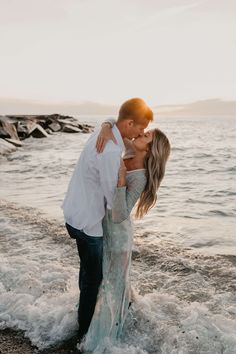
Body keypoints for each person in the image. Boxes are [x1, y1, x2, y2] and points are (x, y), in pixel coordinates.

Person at [62, 98, 153, 344]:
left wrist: (105, 123)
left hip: (75, 214)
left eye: (145, 134)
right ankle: (84, 333)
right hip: (90, 224)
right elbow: (115, 206)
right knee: (94, 279)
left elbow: (115, 122)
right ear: (130, 123)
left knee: (93, 274)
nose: (141, 133)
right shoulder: (112, 152)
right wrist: (120, 180)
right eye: (140, 128)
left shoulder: (107, 136)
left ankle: (94, 318)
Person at [80, 124, 171, 352]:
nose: (140, 133)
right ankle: (91, 319)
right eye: (144, 131)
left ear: (149, 150)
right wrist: (104, 127)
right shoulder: (130, 151)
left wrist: (121, 179)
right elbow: (118, 130)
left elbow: (120, 214)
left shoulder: (139, 176)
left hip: (118, 235)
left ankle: (110, 338)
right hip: (102, 227)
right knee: (100, 278)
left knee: (114, 285)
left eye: (146, 135)